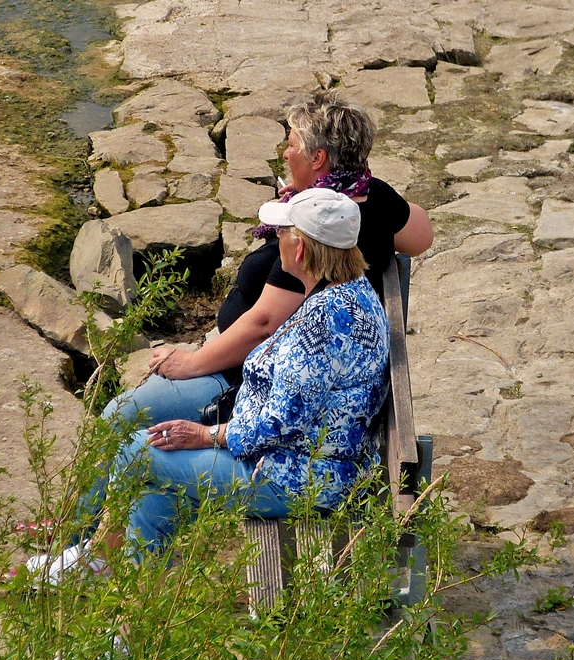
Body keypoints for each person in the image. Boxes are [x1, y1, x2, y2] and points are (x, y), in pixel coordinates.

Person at [33, 189, 390, 578]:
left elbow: (277, 424)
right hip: (310, 460)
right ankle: (127, 610)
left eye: (282, 231)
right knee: (156, 496)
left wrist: (206, 435)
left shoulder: (325, 322)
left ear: (299, 248)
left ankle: (101, 561)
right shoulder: (353, 295)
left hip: (296, 475)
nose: (277, 237)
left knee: (136, 451)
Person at [102, 90, 431, 426]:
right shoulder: (372, 196)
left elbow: (264, 325)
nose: (286, 154)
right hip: (270, 362)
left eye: (291, 145)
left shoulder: (316, 237)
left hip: (245, 376)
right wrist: (335, 190)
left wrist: (192, 362)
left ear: (317, 157)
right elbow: (422, 236)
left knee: (119, 416)